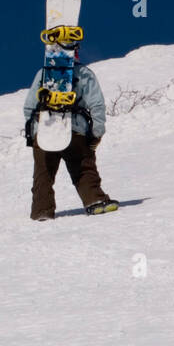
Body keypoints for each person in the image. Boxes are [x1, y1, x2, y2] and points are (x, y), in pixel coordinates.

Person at [23, 51, 115, 220]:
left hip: (45, 130)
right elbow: (96, 104)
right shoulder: (84, 73)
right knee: (82, 167)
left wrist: (34, 132)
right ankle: (94, 200)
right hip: (74, 129)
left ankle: (41, 211)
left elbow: (29, 107)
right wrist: (97, 132)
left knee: (43, 173)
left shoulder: (43, 74)